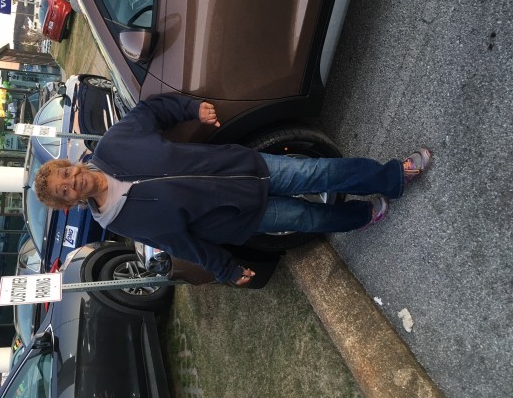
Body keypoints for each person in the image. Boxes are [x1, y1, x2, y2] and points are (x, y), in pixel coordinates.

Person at [34, 94, 431, 286]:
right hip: (241, 218)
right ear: (70, 203)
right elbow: (182, 244)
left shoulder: (113, 145)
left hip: (244, 167)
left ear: (69, 164)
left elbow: (150, 111)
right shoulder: (118, 221)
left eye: (64, 174)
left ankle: (394, 176)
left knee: (318, 172)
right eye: (64, 191)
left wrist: (191, 110)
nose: (71, 182)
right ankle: (362, 215)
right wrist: (226, 269)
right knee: (308, 217)